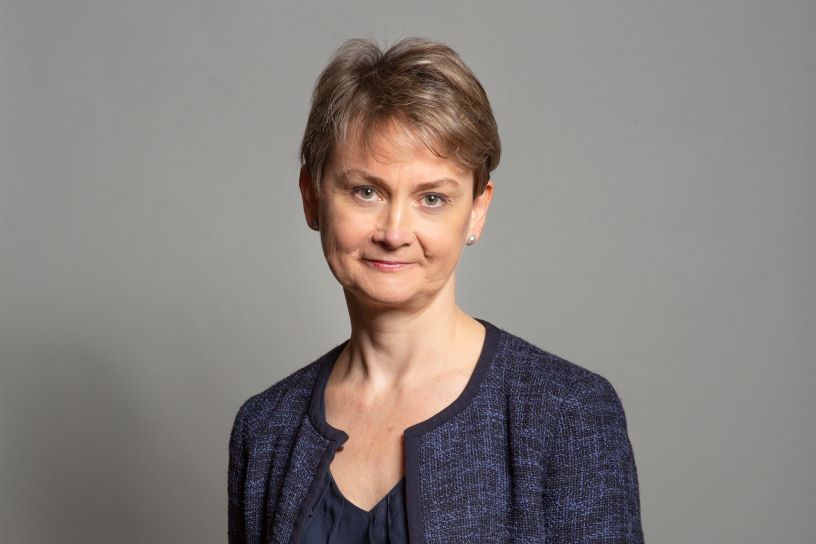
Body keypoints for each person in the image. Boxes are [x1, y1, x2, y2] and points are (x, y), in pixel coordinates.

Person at [228, 37, 644, 544]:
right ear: (312, 197)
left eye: (431, 198)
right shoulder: (266, 428)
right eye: (366, 191)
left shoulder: (567, 414)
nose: (395, 231)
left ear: (477, 209)